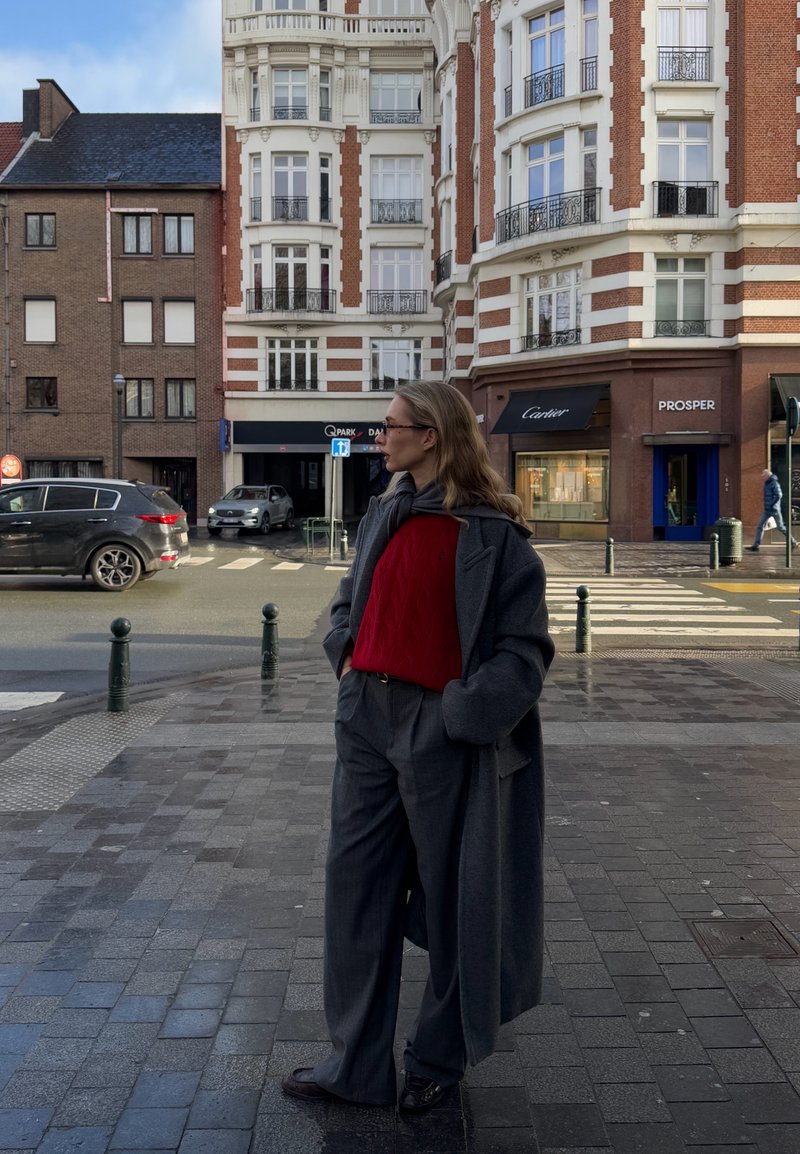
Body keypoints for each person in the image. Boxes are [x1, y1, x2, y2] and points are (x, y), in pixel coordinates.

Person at [281, 380, 554, 1112]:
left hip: (443, 729)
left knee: (457, 897)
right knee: (356, 893)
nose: (381, 437)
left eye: (390, 426)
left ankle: (438, 1055)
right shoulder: (385, 509)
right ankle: (355, 1066)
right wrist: (346, 651)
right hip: (366, 718)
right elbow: (350, 599)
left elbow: (525, 654)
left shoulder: (493, 534)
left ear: (430, 435)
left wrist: (461, 714)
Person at [747, 468, 798, 550]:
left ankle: (793, 542)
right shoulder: (767, 483)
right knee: (760, 526)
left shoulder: (774, 483)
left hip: (774, 510)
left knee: (781, 527)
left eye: (763, 475)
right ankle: (756, 545)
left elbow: (779, 495)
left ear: (767, 475)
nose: (762, 477)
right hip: (767, 509)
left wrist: (771, 504)